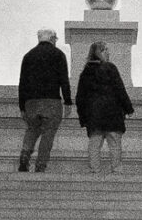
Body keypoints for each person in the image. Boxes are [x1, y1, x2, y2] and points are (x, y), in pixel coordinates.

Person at [15, 29, 71, 173]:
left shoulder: (28, 56)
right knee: (48, 133)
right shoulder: (58, 54)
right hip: (51, 101)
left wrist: (22, 106)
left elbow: (22, 83)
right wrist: (68, 101)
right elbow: (64, 80)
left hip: (31, 102)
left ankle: (24, 156)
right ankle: (40, 164)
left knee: (32, 129)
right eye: (55, 39)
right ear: (52, 39)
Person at [75, 41, 134, 175]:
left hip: (94, 115)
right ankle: (116, 170)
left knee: (95, 144)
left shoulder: (86, 72)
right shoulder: (110, 68)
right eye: (104, 50)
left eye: (107, 49)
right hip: (112, 113)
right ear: (97, 53)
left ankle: (94, 170)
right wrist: (128, 108)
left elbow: (80, 97)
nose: (108, 52)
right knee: (114, 143)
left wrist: (83, 117)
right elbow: (120, 89)